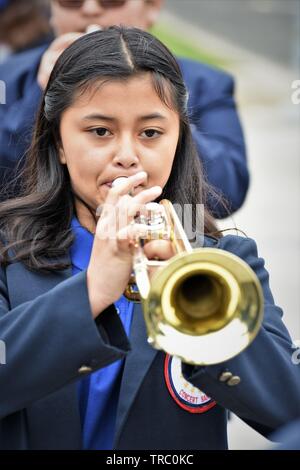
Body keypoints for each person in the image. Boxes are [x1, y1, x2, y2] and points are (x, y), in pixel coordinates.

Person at [0, 27, 299, 450]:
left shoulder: (225, 260)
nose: (127, 155)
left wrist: (208, 326)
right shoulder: (6, 253)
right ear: (59, 143)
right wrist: (92, 291)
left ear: (179, 140)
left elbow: (290, 409)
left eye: (151, 133)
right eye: (100, 131)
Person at [0, 0, 249, 217]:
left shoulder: (207, 82)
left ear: (152, 7)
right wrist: (43, 95)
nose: (90, 9)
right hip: (42, 246)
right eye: (71, 0)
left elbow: (229, 191)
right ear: (52, 9)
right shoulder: (8, 76)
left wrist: (169, 118)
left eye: (111, 0)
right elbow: (7, 183)